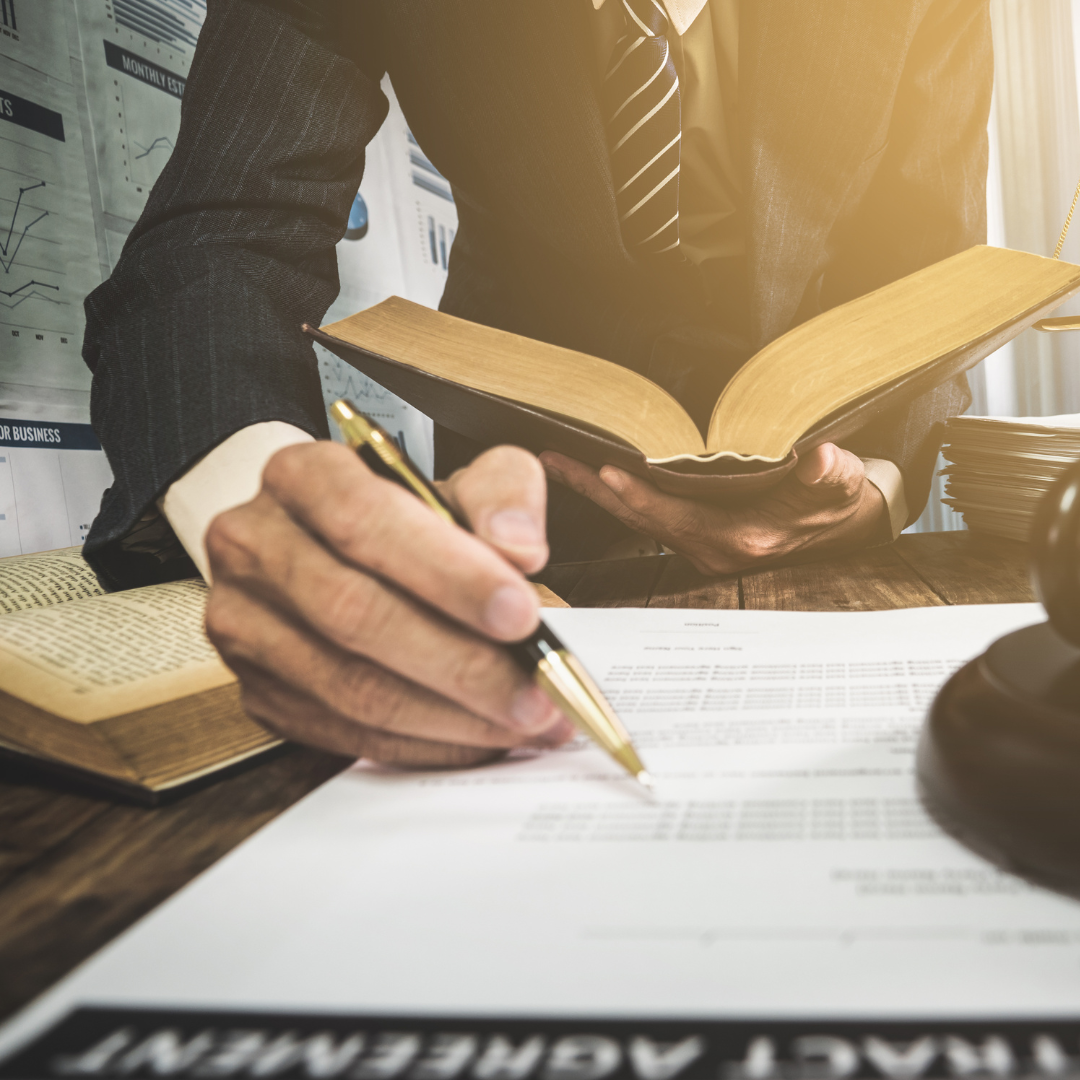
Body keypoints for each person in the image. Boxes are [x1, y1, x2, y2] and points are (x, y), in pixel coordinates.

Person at [81, 0, 991, 767]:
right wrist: (262, 498)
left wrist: (875, 482)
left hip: (824, 505)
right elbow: (225, 230)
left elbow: (932, 277)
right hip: (522, 483)